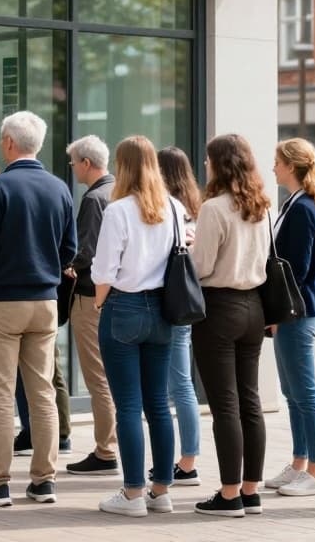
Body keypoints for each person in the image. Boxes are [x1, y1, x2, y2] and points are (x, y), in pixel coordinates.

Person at [0, 111, 77, 508]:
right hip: (44, 300)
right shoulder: (60, 187)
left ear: (9, 143)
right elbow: (69, 250)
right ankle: (44, 481)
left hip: (3, 302)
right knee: (41, 391)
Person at [91, 136, 182, 517]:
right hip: (163, 309)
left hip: (124, 307)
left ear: (123, 166)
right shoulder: (174, 207)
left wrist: (99, 303)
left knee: (127, 405)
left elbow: (103, 270)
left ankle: (131, 494)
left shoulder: (119, 210)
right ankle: (160, 491)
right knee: (158, 404)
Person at [189, 134, 271, 518]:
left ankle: (228, 494)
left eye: (208, 161)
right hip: (254, 306)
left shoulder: (213, 209)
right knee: (249, 401)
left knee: (225, 407)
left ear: (219, 165)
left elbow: (202, 265)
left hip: (219, 309)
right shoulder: (261, 206)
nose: (204, 166)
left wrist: (186, 249)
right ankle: (251, 491)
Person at [265, 138, 315, 497]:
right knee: (293, 393)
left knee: (305, 393)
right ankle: (299, 464)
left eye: (277, 161)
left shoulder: (304, 208)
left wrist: (279, 307)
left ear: (291, 166)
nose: (273, 167)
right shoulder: (294, 203)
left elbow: (302, 268)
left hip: (299, 311)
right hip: (291, 311)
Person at [61, 135, 119, 477]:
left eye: (73, 164)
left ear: (86, 163)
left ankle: (105, 449)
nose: (74, 170)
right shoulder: (120, 193)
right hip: (116, 297)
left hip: (90, 296)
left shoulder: (95, 198)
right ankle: (110, 445)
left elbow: (85, 252)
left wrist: (69, 265)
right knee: (110, 376)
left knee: (97, 377)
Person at [156, 146, 204, 487]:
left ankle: (185, 463)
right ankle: (188, 459)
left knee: (171, 387)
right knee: (183, 384)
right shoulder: (195, 208)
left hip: (164, 302)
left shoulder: (164, 208)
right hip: (186, 301)